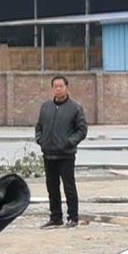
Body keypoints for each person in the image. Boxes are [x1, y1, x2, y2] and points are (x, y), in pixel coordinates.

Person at [35, 75, 88, 228]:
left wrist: (68, 142)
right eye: (55, 86)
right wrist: (41, 140)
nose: (58, 89)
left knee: (69, 186)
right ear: (52, 89)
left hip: (66, 155)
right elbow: (39, 127)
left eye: (61, 86)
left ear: (67, 88)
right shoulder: (46, 107)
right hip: (49, 154)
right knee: (52, 187)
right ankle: (55, 217)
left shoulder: (75, 108)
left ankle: (73, 217)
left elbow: (82, 130)